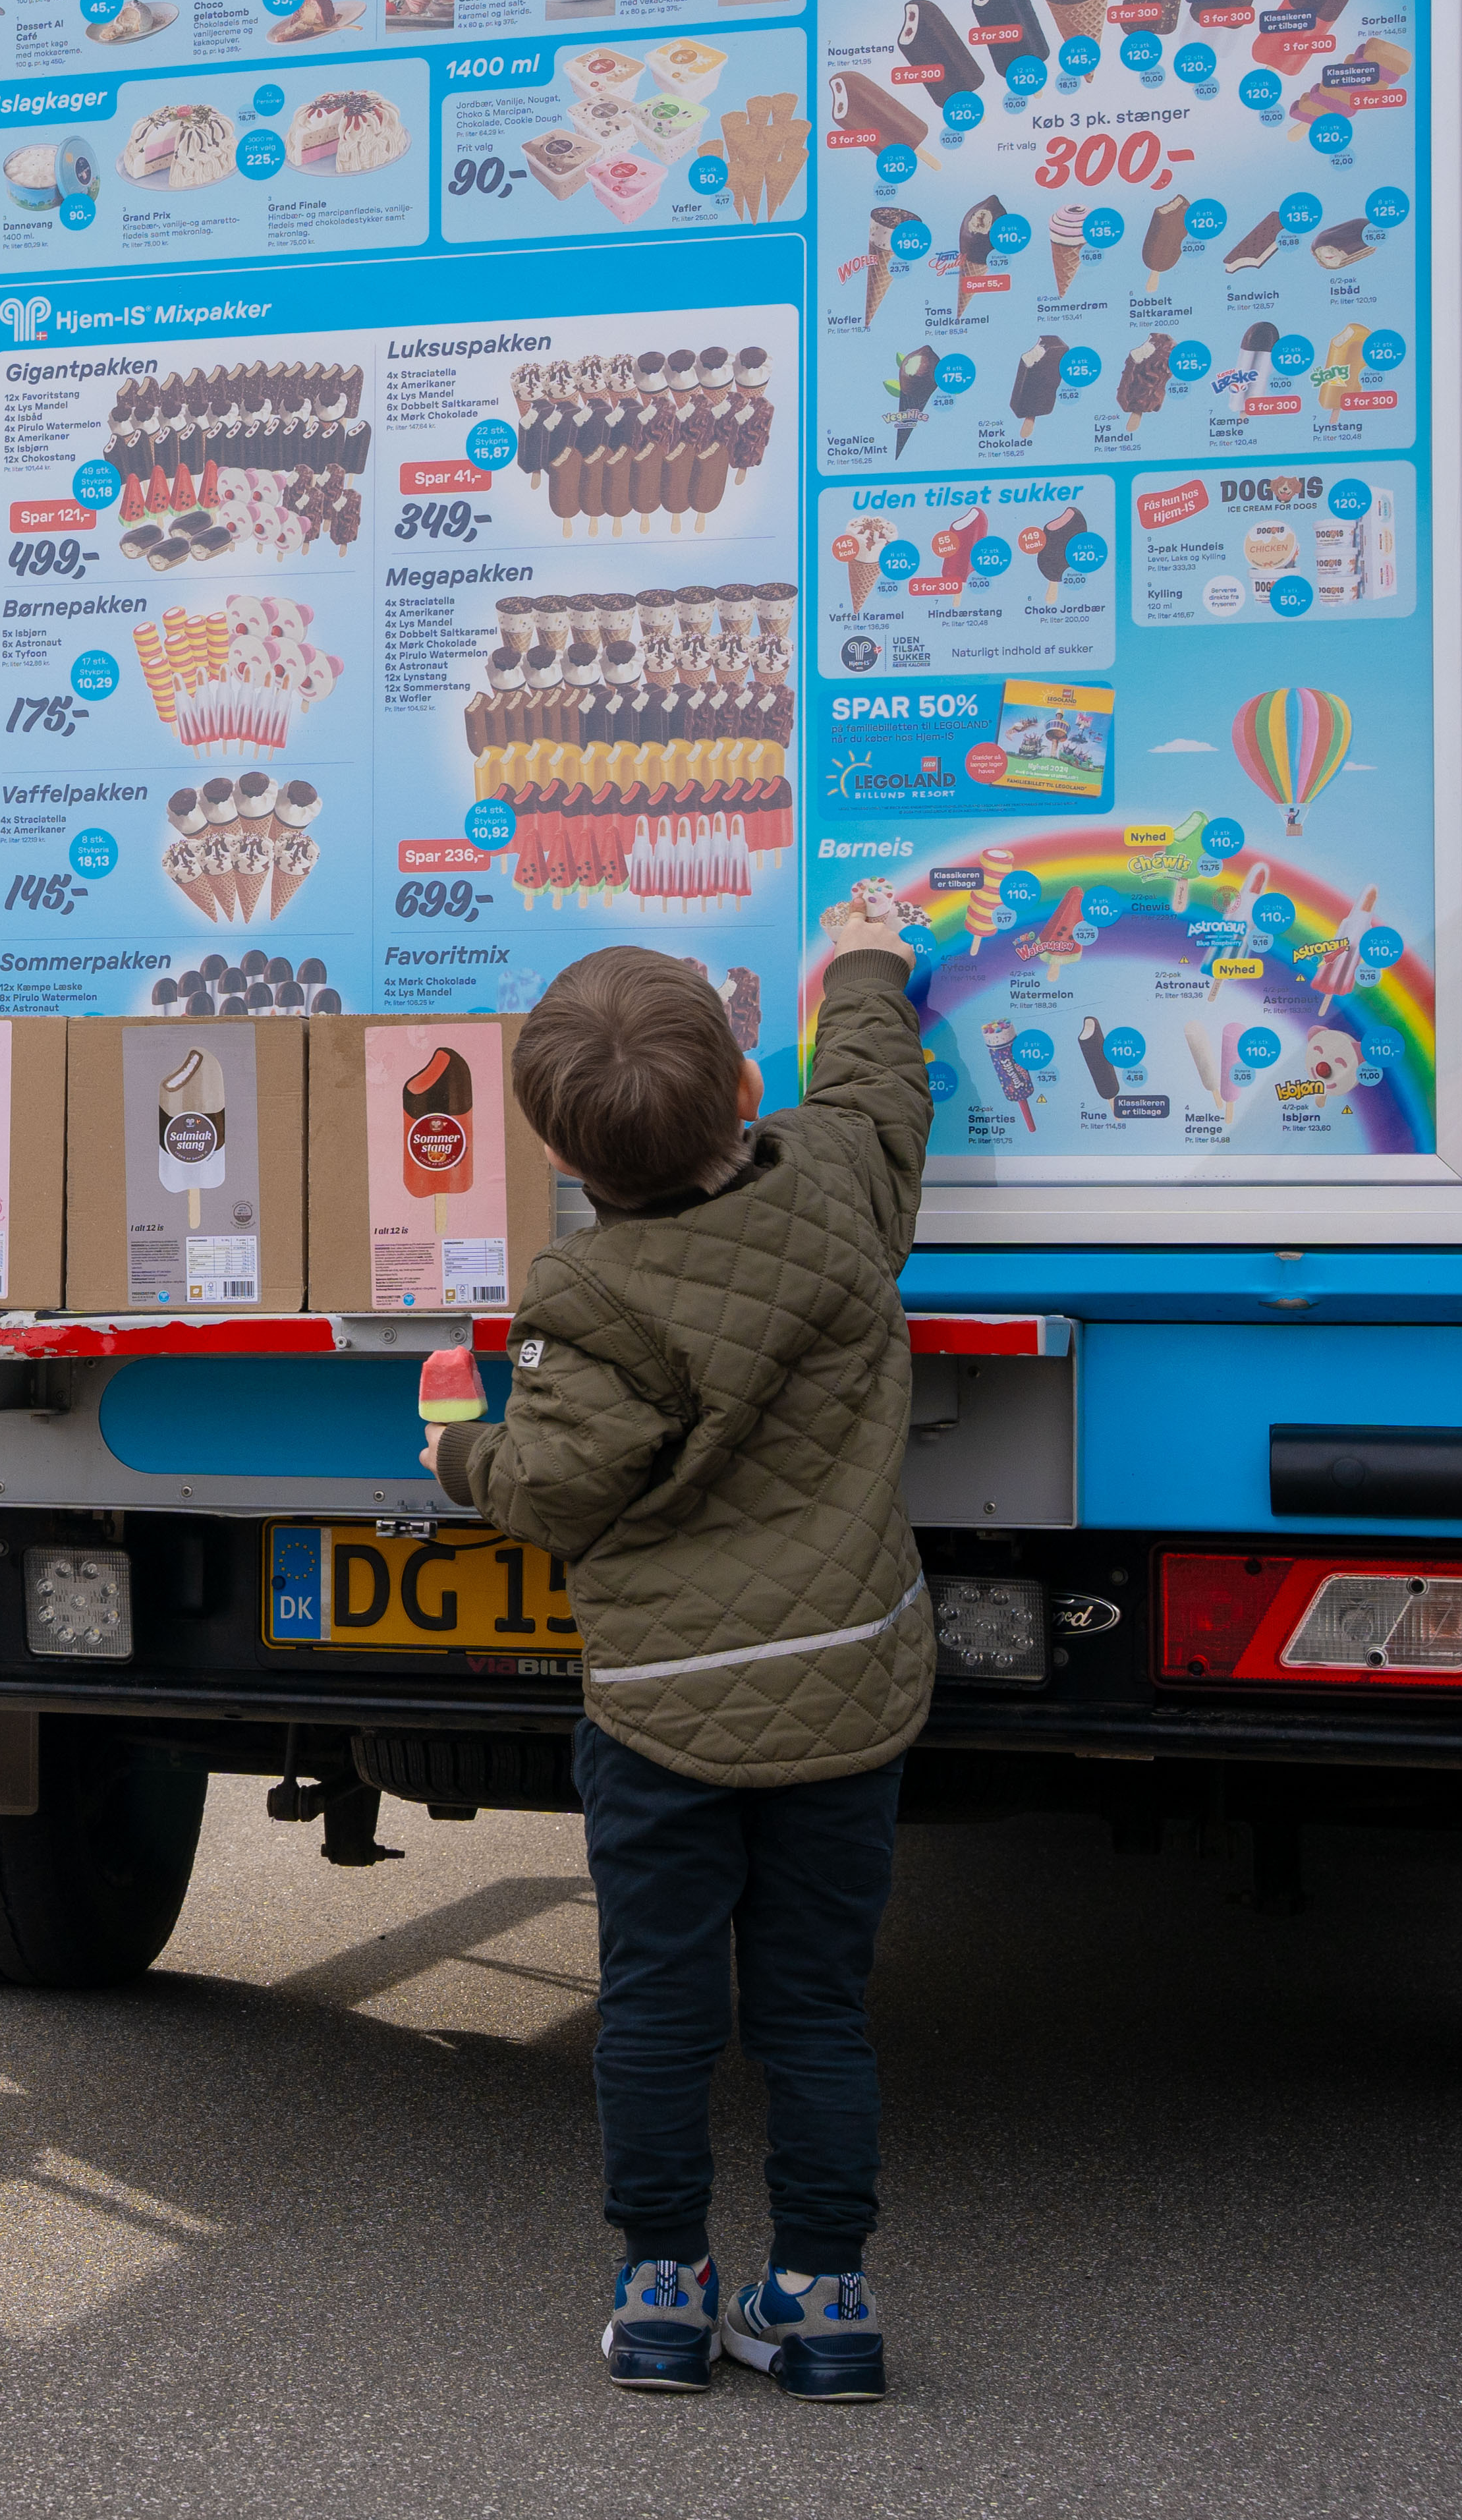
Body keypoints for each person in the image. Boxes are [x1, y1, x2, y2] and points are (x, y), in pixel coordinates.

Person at [424, 908, 933, 2404]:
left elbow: (559, 1492)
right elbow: (876, 1093)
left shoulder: (588, 1297)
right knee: (816, 2011)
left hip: (659, 1714)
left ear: (565, 1161)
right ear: (745, 1095)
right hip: (849, 1684)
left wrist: (466, 1454)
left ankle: (663, 2291)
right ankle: (825, 2298)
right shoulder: (840, 1187)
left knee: (656, 2002)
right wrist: (865, 971)